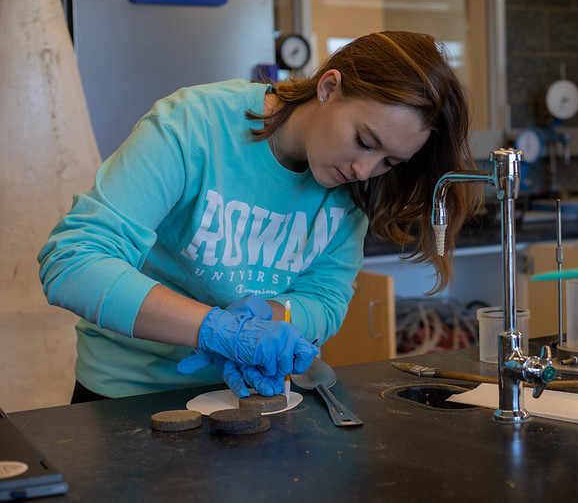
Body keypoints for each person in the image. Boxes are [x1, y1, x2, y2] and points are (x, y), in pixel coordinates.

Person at [38, 31, 482, 403]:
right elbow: (74, 261)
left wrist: (271, 315)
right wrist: (215, 330)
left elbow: (325, 298)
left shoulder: (356, 187)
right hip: (128, 398)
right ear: (329, 87)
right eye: (365, 141)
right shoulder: (193, 126)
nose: (364, 170)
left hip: (253, 397)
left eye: (390, 162)